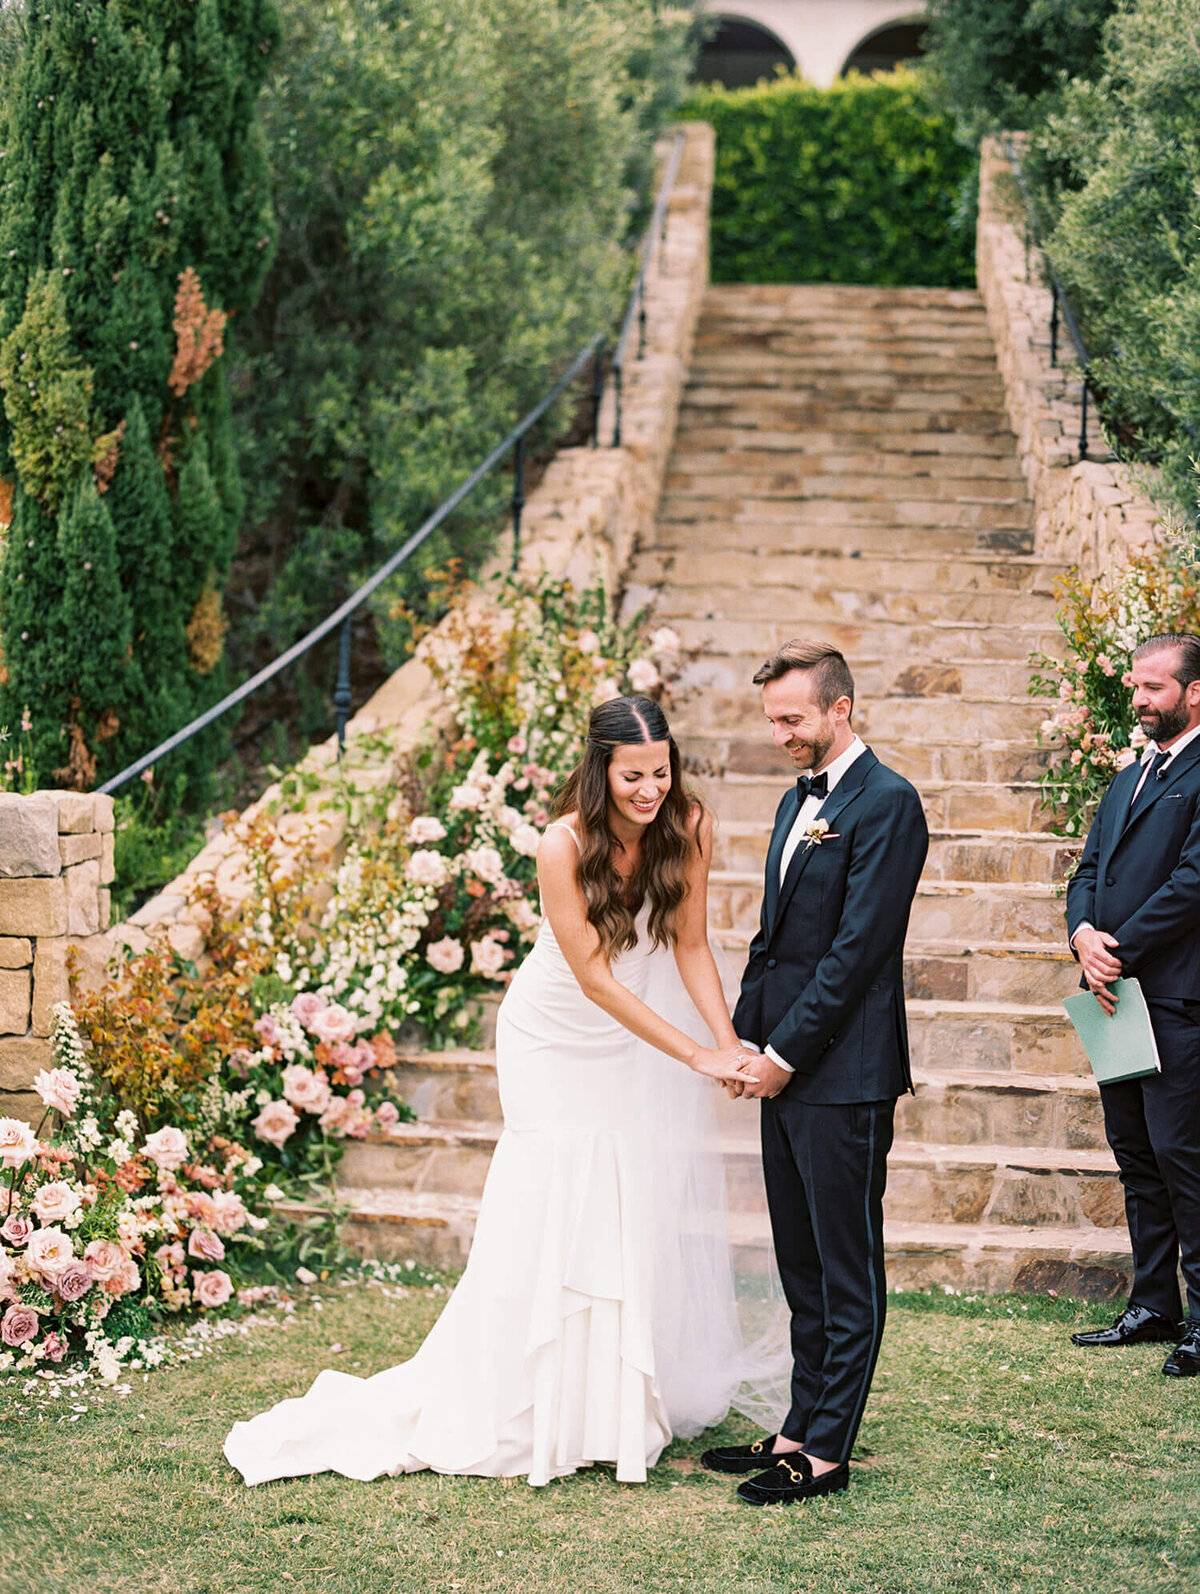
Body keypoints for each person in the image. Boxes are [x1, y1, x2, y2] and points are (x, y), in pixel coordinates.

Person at [224, 695, 772, 1488]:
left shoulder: (689, 825)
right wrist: (693, 1054)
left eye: (661, 772)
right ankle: (521, 1400)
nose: (649, 790)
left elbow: (689, 943)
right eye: (632, 776)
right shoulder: (562, 842)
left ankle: (602, 1410)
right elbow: (590, 978)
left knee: (624, 1199)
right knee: (551, 1200)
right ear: (600, 768)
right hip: (555, 1039)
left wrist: (725, 1044)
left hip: (638, 1033)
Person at [700, 640, 928, 1507]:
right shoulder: (795, 801)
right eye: (772, 720)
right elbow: (774, 946)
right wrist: (741, 1044)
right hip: (784, 1068)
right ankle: (798, 1424)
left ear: (841, 708)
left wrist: (783, 1054)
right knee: (799, 1260)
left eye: (793, 718)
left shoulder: (889, 803)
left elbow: (856, 953)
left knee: (845, 1264)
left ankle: (827, 1453)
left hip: (845, 1074)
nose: (781, 734)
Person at [1065, 633, 1200, 1378]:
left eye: (1155, 688)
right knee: (1137, 1155)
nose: (1141, 701)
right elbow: (1087, 870)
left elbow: (1192, 882)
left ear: (1194, 693)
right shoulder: (1128, 779)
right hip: (1114, 1002)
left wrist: (1117, 947)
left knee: (1186, 1159)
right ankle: (1154, 1305)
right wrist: (1083, 935)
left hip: (1179, 997)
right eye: (1137, 688)